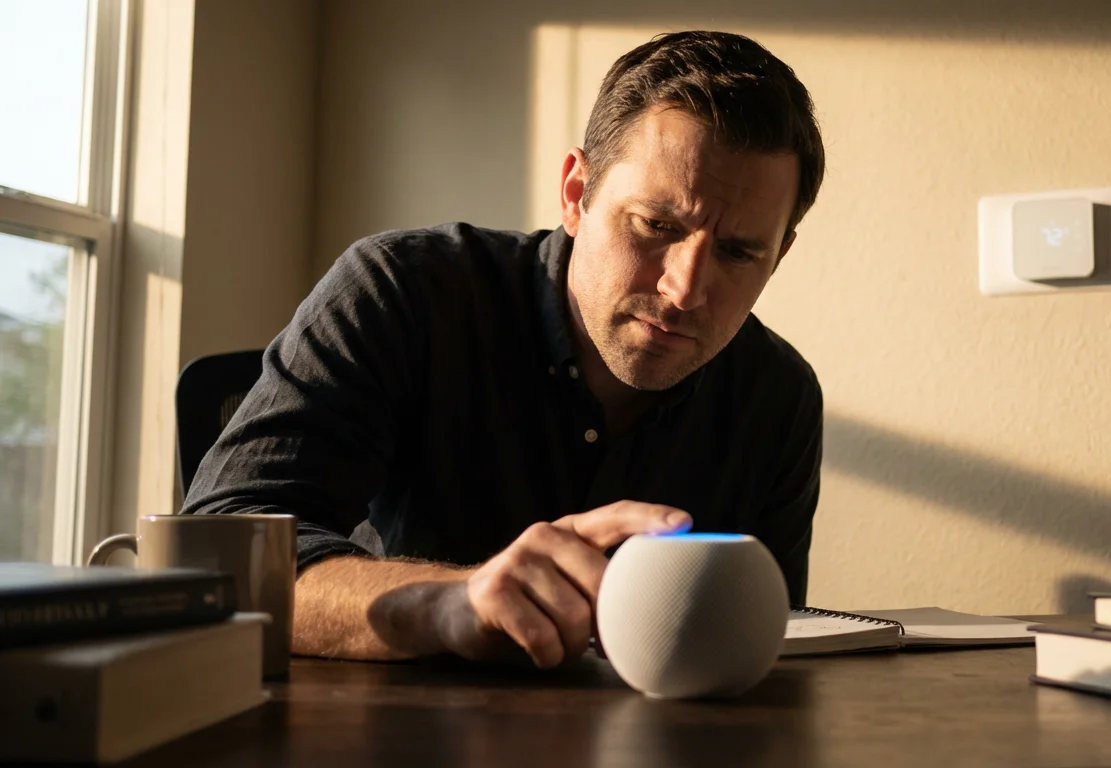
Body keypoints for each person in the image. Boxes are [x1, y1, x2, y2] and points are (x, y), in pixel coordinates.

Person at [184, 30, 826, 670]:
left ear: (779, 257)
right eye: (656, 226)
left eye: (739, 253)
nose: (686, 291)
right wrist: (449, 604)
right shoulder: (401, 290)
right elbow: (218, 552)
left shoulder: (779, 397)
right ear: (577, 194)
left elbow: (762, 639)